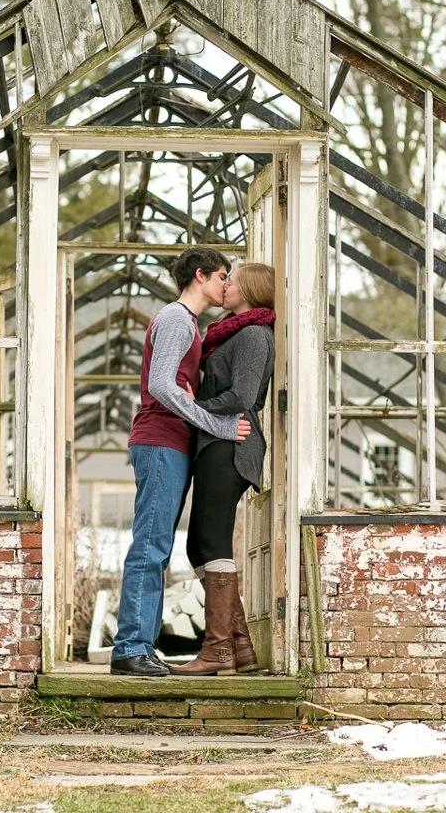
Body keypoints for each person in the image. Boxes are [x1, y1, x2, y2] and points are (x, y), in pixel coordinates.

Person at [109, 247, 251, 677]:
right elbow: (162, 386)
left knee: (158, 547)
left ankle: (140, 647)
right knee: (150, 546)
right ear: (201, 275)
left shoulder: (189, 323)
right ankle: (130, 649)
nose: (227, 284)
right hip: (160, 441)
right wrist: (218, 425)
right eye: (222, 276)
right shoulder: (175, 318)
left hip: (172, 445)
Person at [171, 262, 277, 676]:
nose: (225, 284)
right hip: (216, 442)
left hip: (232, 443)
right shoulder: (232, 333)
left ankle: (217, 651)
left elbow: (243, 395)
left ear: (250, 289)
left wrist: (191, 406)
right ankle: (241, 647)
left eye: (232, 280)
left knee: (212, 542)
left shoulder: (253, 335)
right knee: (198, 544)